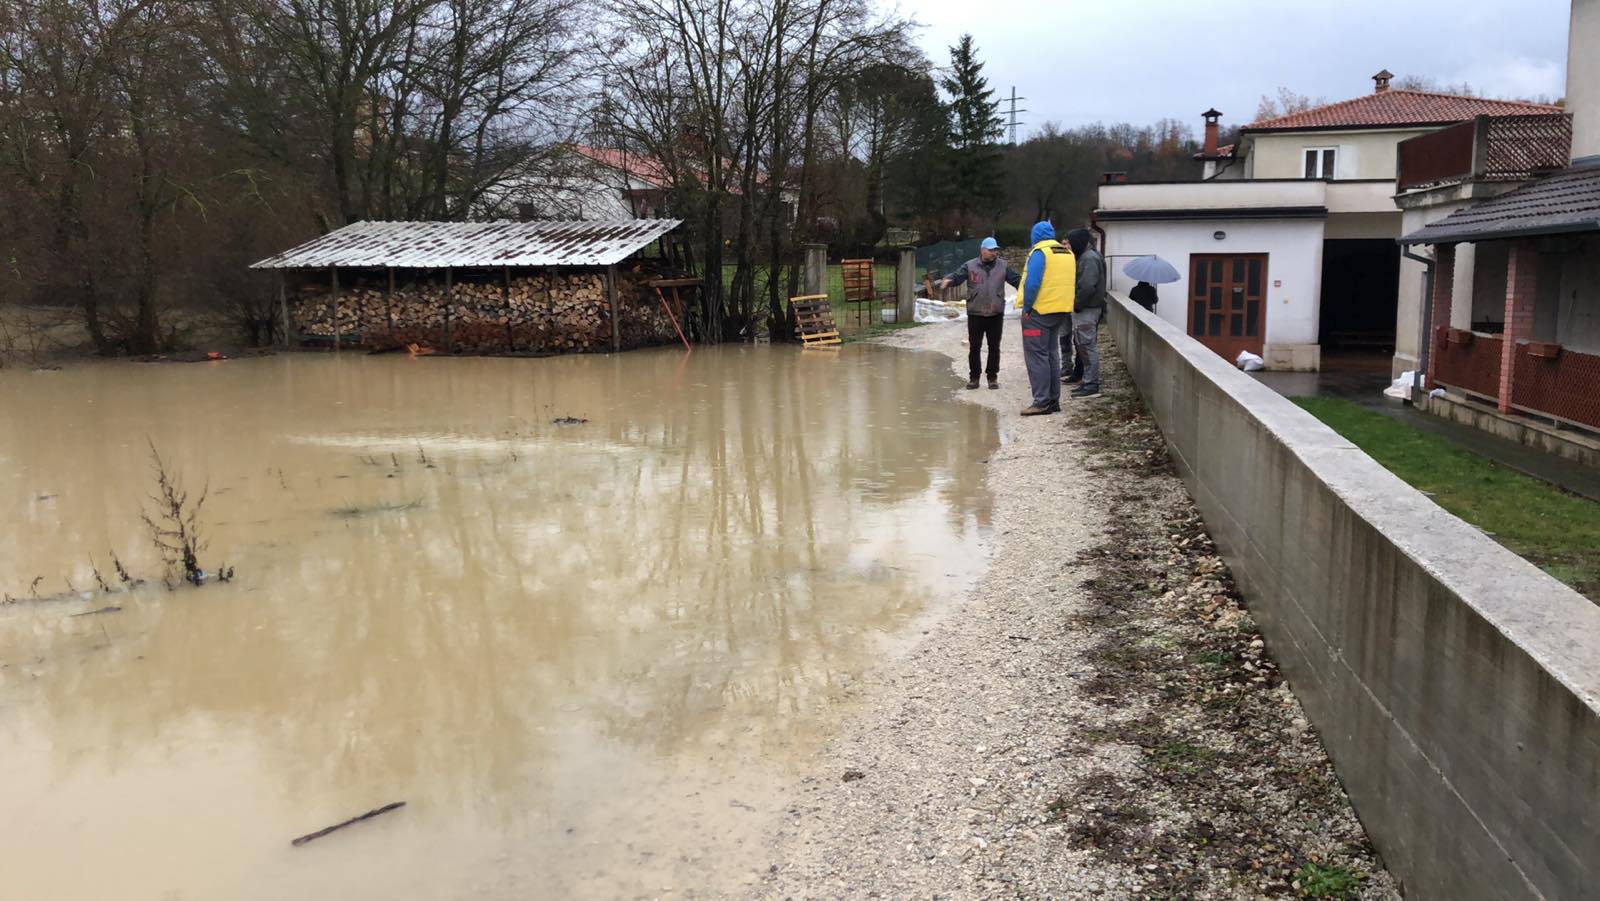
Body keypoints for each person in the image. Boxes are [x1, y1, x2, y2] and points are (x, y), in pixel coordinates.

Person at [936, 236, 1020, 390]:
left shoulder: (1003, 266)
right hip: (976, 312)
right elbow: (957, 276)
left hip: (995, 312)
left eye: (996, 250)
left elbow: (1017, 280)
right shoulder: (970, 265)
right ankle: (974, 378)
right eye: (991, 250)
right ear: (982, 250)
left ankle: (992, 377)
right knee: (975, 347)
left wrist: (1027, 288)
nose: (994, 253)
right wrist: (948, 280)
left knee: (994, 347)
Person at [1016, 220, 1076, 416]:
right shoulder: (1067, 253)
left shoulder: (1040, 253)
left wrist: (1027, 308)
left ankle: (1041, 401)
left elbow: (1032, 284)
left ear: (1035, 236)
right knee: (1051, 353)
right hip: (1060, 311)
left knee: (1036, 355)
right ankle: (1053, 401)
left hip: (1039, 312)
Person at [1065, 227, 1105, 399]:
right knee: (1084, 346)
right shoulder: (1089, 256)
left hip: (1087, 309)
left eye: (1072, 244)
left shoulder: (1088, 258)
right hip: (1088, 308)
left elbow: (1087, 286)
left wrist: (1077, 303)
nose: (1070, 247)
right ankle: (1088, 381)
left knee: (1087, 347)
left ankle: (1091, 385)